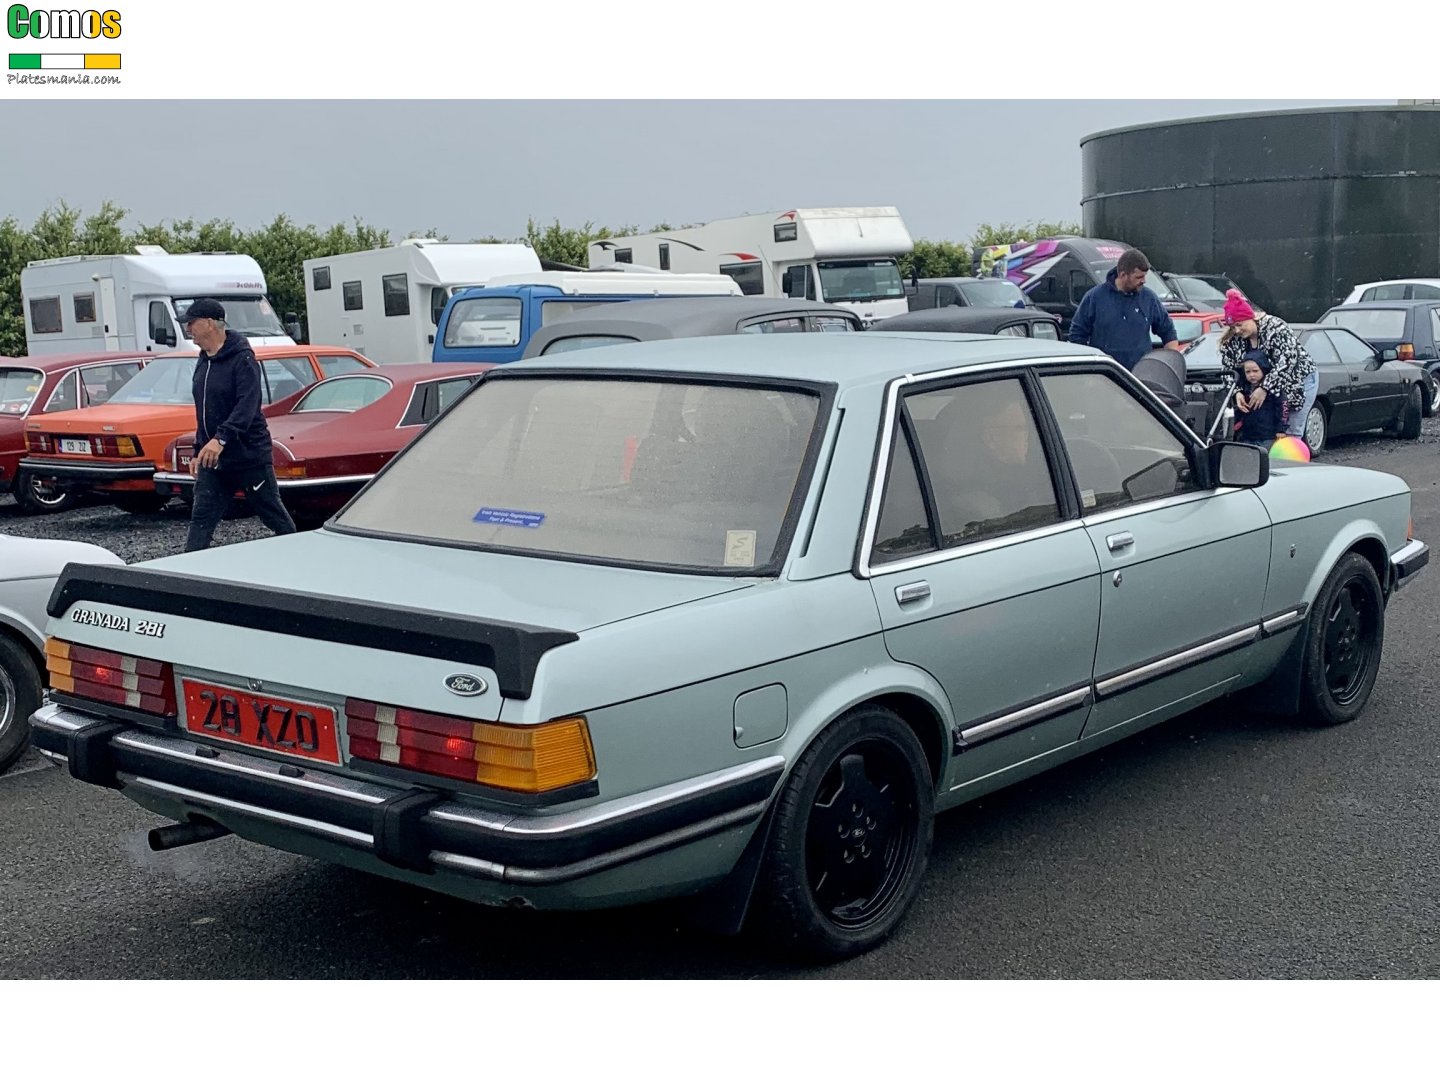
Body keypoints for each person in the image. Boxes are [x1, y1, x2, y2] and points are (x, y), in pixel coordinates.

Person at [182, 298, 297, 552]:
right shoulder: (204, 360)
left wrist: (221, 439)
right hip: (214, 459)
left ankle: (298, 556)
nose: (188, 329)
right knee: (201, 517)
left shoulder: (243, 359)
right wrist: (199, 449)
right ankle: (188, 573)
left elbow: (247, 407)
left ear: (210, 323)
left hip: (248, 455)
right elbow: (204, 412)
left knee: (271, 513)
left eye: (192, 323)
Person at [1216, 289, 1318, 441]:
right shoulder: (1233, 340)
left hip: (1298, 380)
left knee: (1290, 430)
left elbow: (1287, 361)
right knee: (1267, 432)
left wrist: (1264, 388)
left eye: (1239, 324)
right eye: (1232, 327)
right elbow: (1228, 368)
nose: (1236, 330)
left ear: (1250, 317)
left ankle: (1292, 461)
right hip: (1265, 387)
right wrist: (1236, 392)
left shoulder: (1276, 328)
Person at [1068, 248, 1180, 370]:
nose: (1144, 281)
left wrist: (1172, 364)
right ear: (1123, 275)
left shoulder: (1149, 298)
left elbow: (1168, 332)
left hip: (1140, 376)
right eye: (1139, 277)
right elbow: (1077, 336)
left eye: (1145, 276)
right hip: (1105, 376)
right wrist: (1088, 369)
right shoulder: (1094, 298)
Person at [1231, 354, 1284, 447]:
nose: (1252, 375)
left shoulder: (1274, 389)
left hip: (1268, 437)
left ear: (1263, 369)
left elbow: (1283, 409)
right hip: (1247, 436)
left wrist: (1281, 430)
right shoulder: (1243, 389)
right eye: (1248, 372)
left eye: (1255, 371)